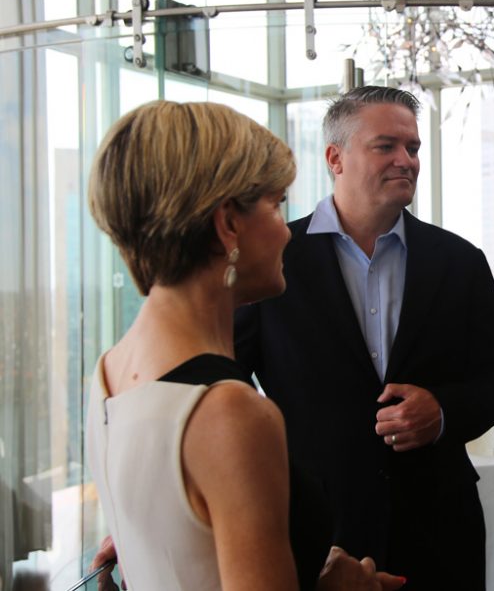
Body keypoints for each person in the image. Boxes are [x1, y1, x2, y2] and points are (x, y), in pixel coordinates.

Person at [85, 100, 402, 591]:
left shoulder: (108, 371)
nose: (285, 230)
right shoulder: (230, 413)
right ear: (227, 224)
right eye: (276, 205)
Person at [234, 86, 494, 590]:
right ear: (335, 158)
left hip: (440, 532)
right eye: (386, 146)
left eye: (413, 148)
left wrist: (443, 412)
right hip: (318, 531)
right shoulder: (272, 258)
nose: (406, 160)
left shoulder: (460, 262)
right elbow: (223, 386)